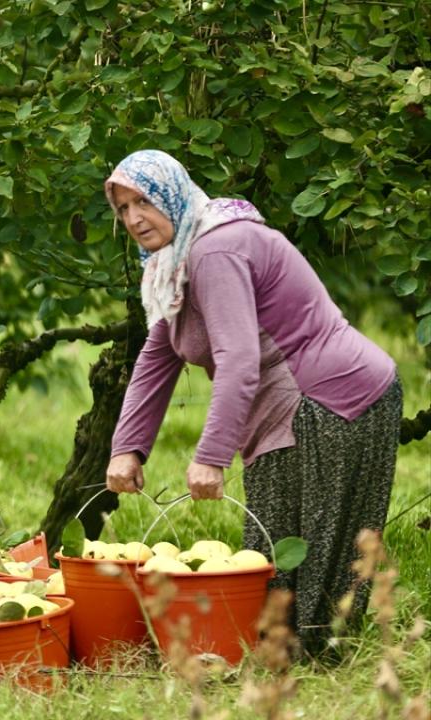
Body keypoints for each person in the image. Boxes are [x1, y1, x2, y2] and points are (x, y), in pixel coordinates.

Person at [102, 149, 403, 655]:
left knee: (316, 548)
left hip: (334, 397)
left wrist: (211, 457)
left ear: (173, 197)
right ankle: (278, 654)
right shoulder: (170, 264)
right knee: (274, 547)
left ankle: (313, 664)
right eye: (123, 207)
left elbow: (238, 358)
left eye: (144, 203)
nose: (133, 218)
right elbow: (159, 353)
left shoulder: (214, 250)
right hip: (290, 404)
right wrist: (126, 447)